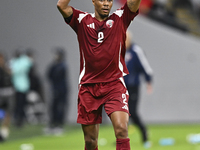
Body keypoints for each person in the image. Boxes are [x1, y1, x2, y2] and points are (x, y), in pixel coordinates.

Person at [57, 0, 142, 150]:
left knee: (122, 129)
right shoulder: (81, 20)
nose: (106, 4)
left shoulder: (120, 18)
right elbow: (61, 6)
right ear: (93, 1)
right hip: (88, 88)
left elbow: (134, 3)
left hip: (114, 85)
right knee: (90, 141)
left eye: (109, 0)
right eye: (102, 0)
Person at [124, 31, 153, 148]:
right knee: (121, 114)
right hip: (121, 87)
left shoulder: (136, 51)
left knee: (132, 112)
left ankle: (144, 134)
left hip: (133, 86)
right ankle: (121, 140)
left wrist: (148, 81)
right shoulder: (118, 50)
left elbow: (145, 67)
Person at [45, 47, 69, 135]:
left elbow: (57, 76)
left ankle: (59, 125)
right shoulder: (54, 65)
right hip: (55, 90)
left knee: (60, 108)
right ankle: (52, 124)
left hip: (61, 90)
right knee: (53, 108)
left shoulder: (62, 66)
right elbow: (48, 75)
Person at [10, 49, 32, 127]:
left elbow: (15, 70)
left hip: (23, 87)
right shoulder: (14, 61)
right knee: (17, 104)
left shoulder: (24, 61)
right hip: (16, 87)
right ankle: (17, 119)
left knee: (22, 104)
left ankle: (21, 120)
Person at [0, 52, 15, 141]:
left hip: (9, 93)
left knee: (8, 113)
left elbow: (11, 79)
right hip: (0, 93)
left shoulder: (7, 68)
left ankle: (4, 133)